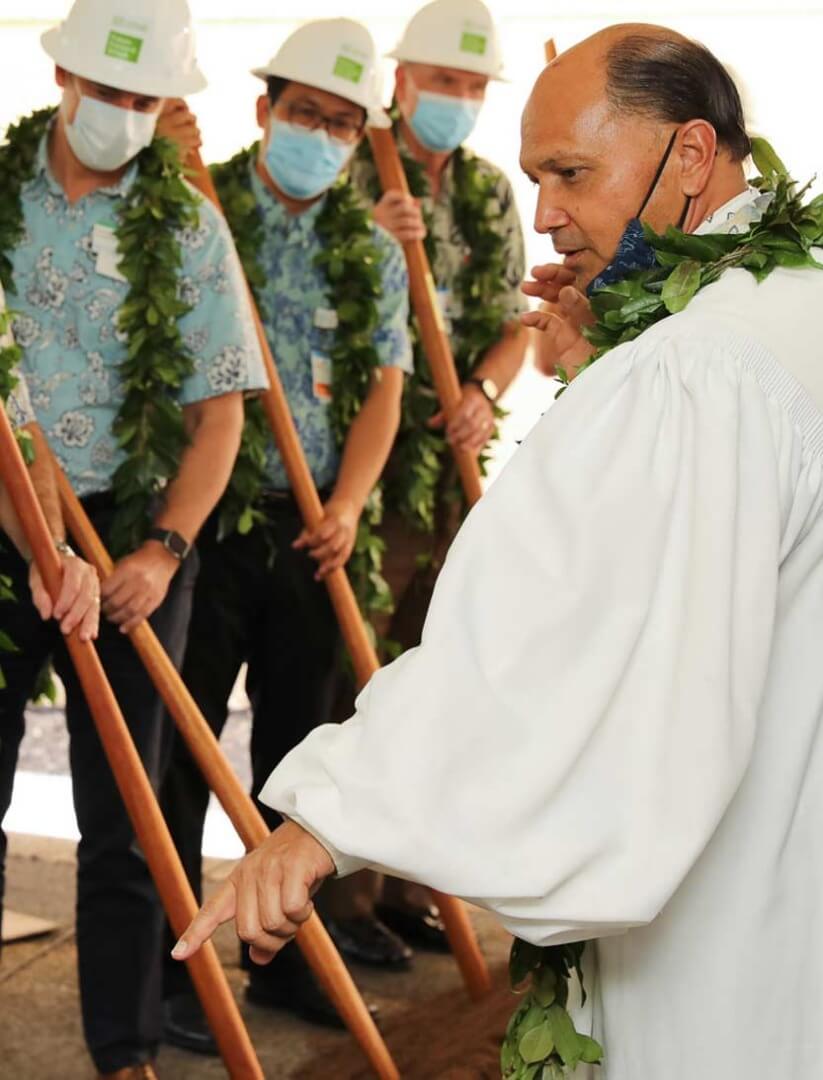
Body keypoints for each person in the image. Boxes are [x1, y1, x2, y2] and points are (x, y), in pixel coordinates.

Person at [175, 24, 823, 1080]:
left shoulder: (694, 369)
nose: (545, 214)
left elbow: (548, 642)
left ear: (691, 154)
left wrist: (324, 821)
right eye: (534, 180)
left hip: (721, 946)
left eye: (571, 172)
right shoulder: (792, 297)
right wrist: (609, 359)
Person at [0, 1, 267, 1076]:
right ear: (62, 78)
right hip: (7, 521)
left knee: (130, 814)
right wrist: (36, 544)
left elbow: (220, 416)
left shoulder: (189, 226)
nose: (120, 112)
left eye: (142, 98)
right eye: (106, 90)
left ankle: (126, 1048)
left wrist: (161, 551)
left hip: (135, 540)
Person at [158, 17, 413, 1051]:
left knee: (299, 757)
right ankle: (170, 971)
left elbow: (384, 387)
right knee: (182, 751)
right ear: (265, 110)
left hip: (312, 535)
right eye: (306, 113)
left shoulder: (371, 246)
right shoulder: (197, 207)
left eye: (344, 124)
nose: (323, 136)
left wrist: (347, 505)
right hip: (209, 527)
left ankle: (280, 962)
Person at [327, 0, 530, 963]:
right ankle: (345, 902)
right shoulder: (352, 169)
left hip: (451, 469)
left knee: (441, 666)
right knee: (361, 677)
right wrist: (368, 235)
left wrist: (483, 392)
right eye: (444, 80)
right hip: (369, 473)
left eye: (472, 86)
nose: (459, 98)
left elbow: (517, 322)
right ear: (401, 82)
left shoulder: (487, 190)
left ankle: (415, 886)